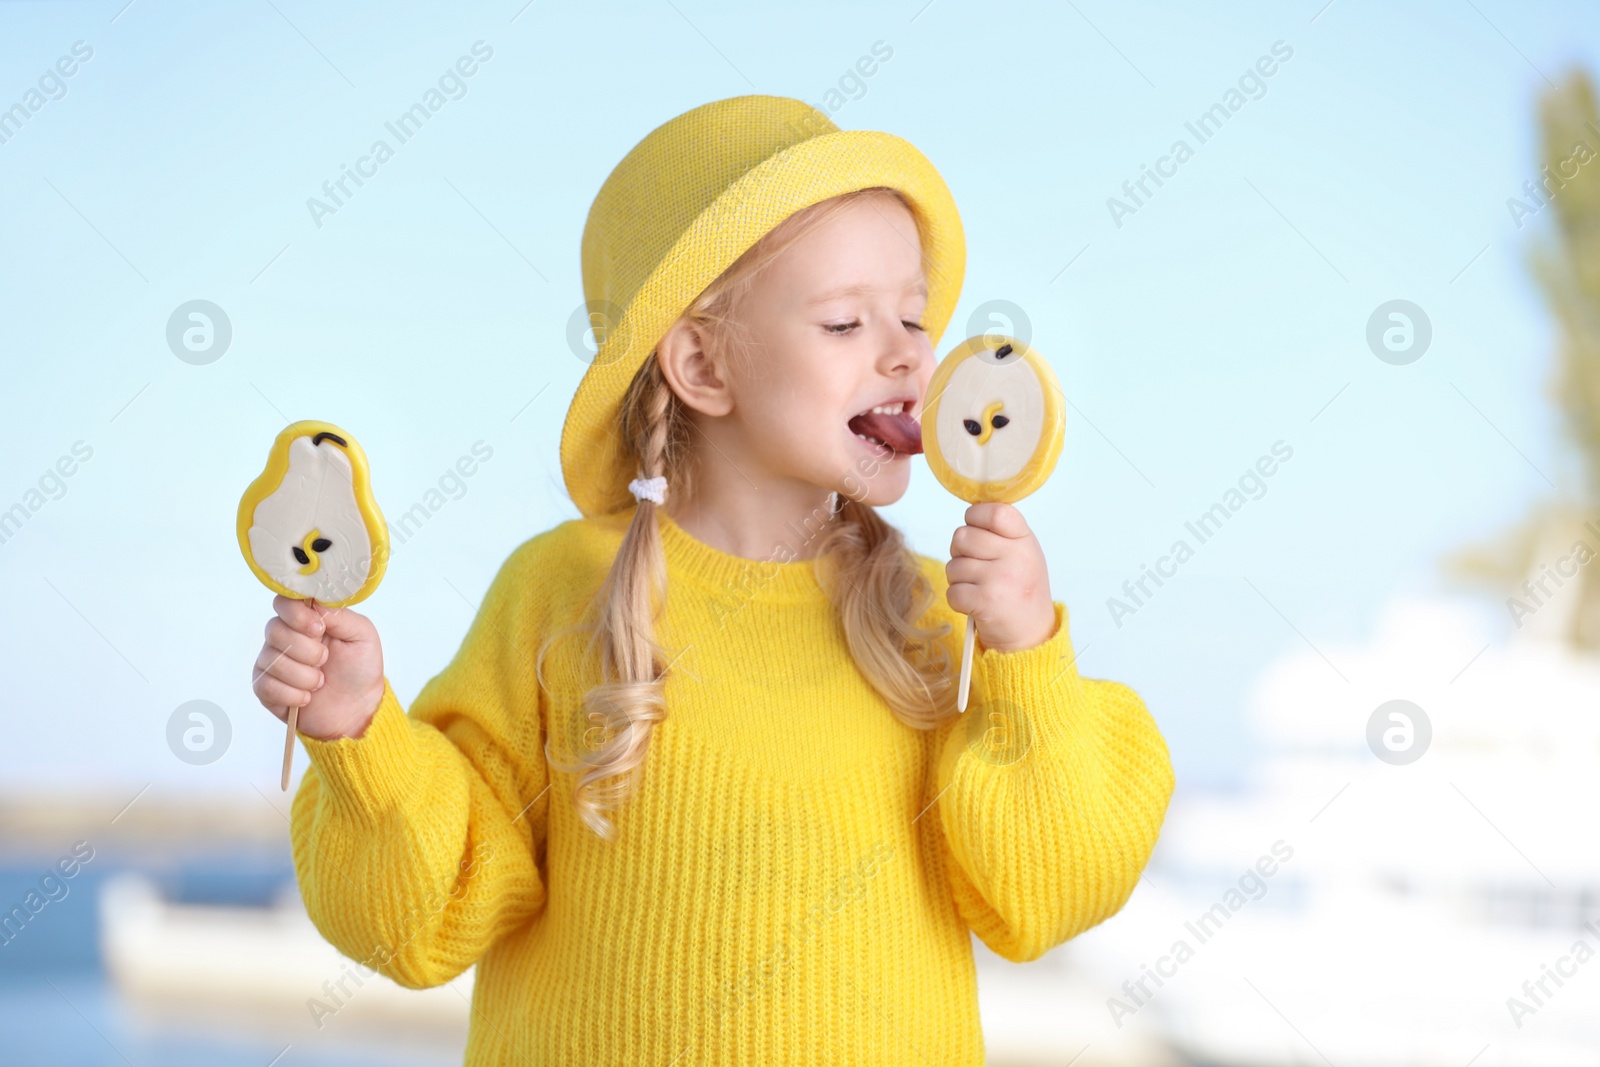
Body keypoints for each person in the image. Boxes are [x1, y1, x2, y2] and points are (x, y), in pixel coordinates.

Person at [251, 93, 1175, 1065]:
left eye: (912, 312)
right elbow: (424, 920)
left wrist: (1025, 658)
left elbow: (1051, 891)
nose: (910, 349)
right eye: (844, 321)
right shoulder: (559, 591)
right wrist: (359, 735)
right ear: (701, 361)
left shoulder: (941, 616)